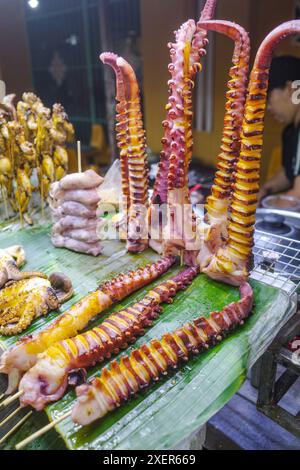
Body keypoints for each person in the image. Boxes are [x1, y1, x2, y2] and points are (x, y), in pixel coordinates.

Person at [259, 56, 300, 201]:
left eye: (268, 97)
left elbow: (297, 194)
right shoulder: (290, 132)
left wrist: (262, 209)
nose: (267, 108)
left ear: (290, 90)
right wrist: (264, 191)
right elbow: (289, 173)